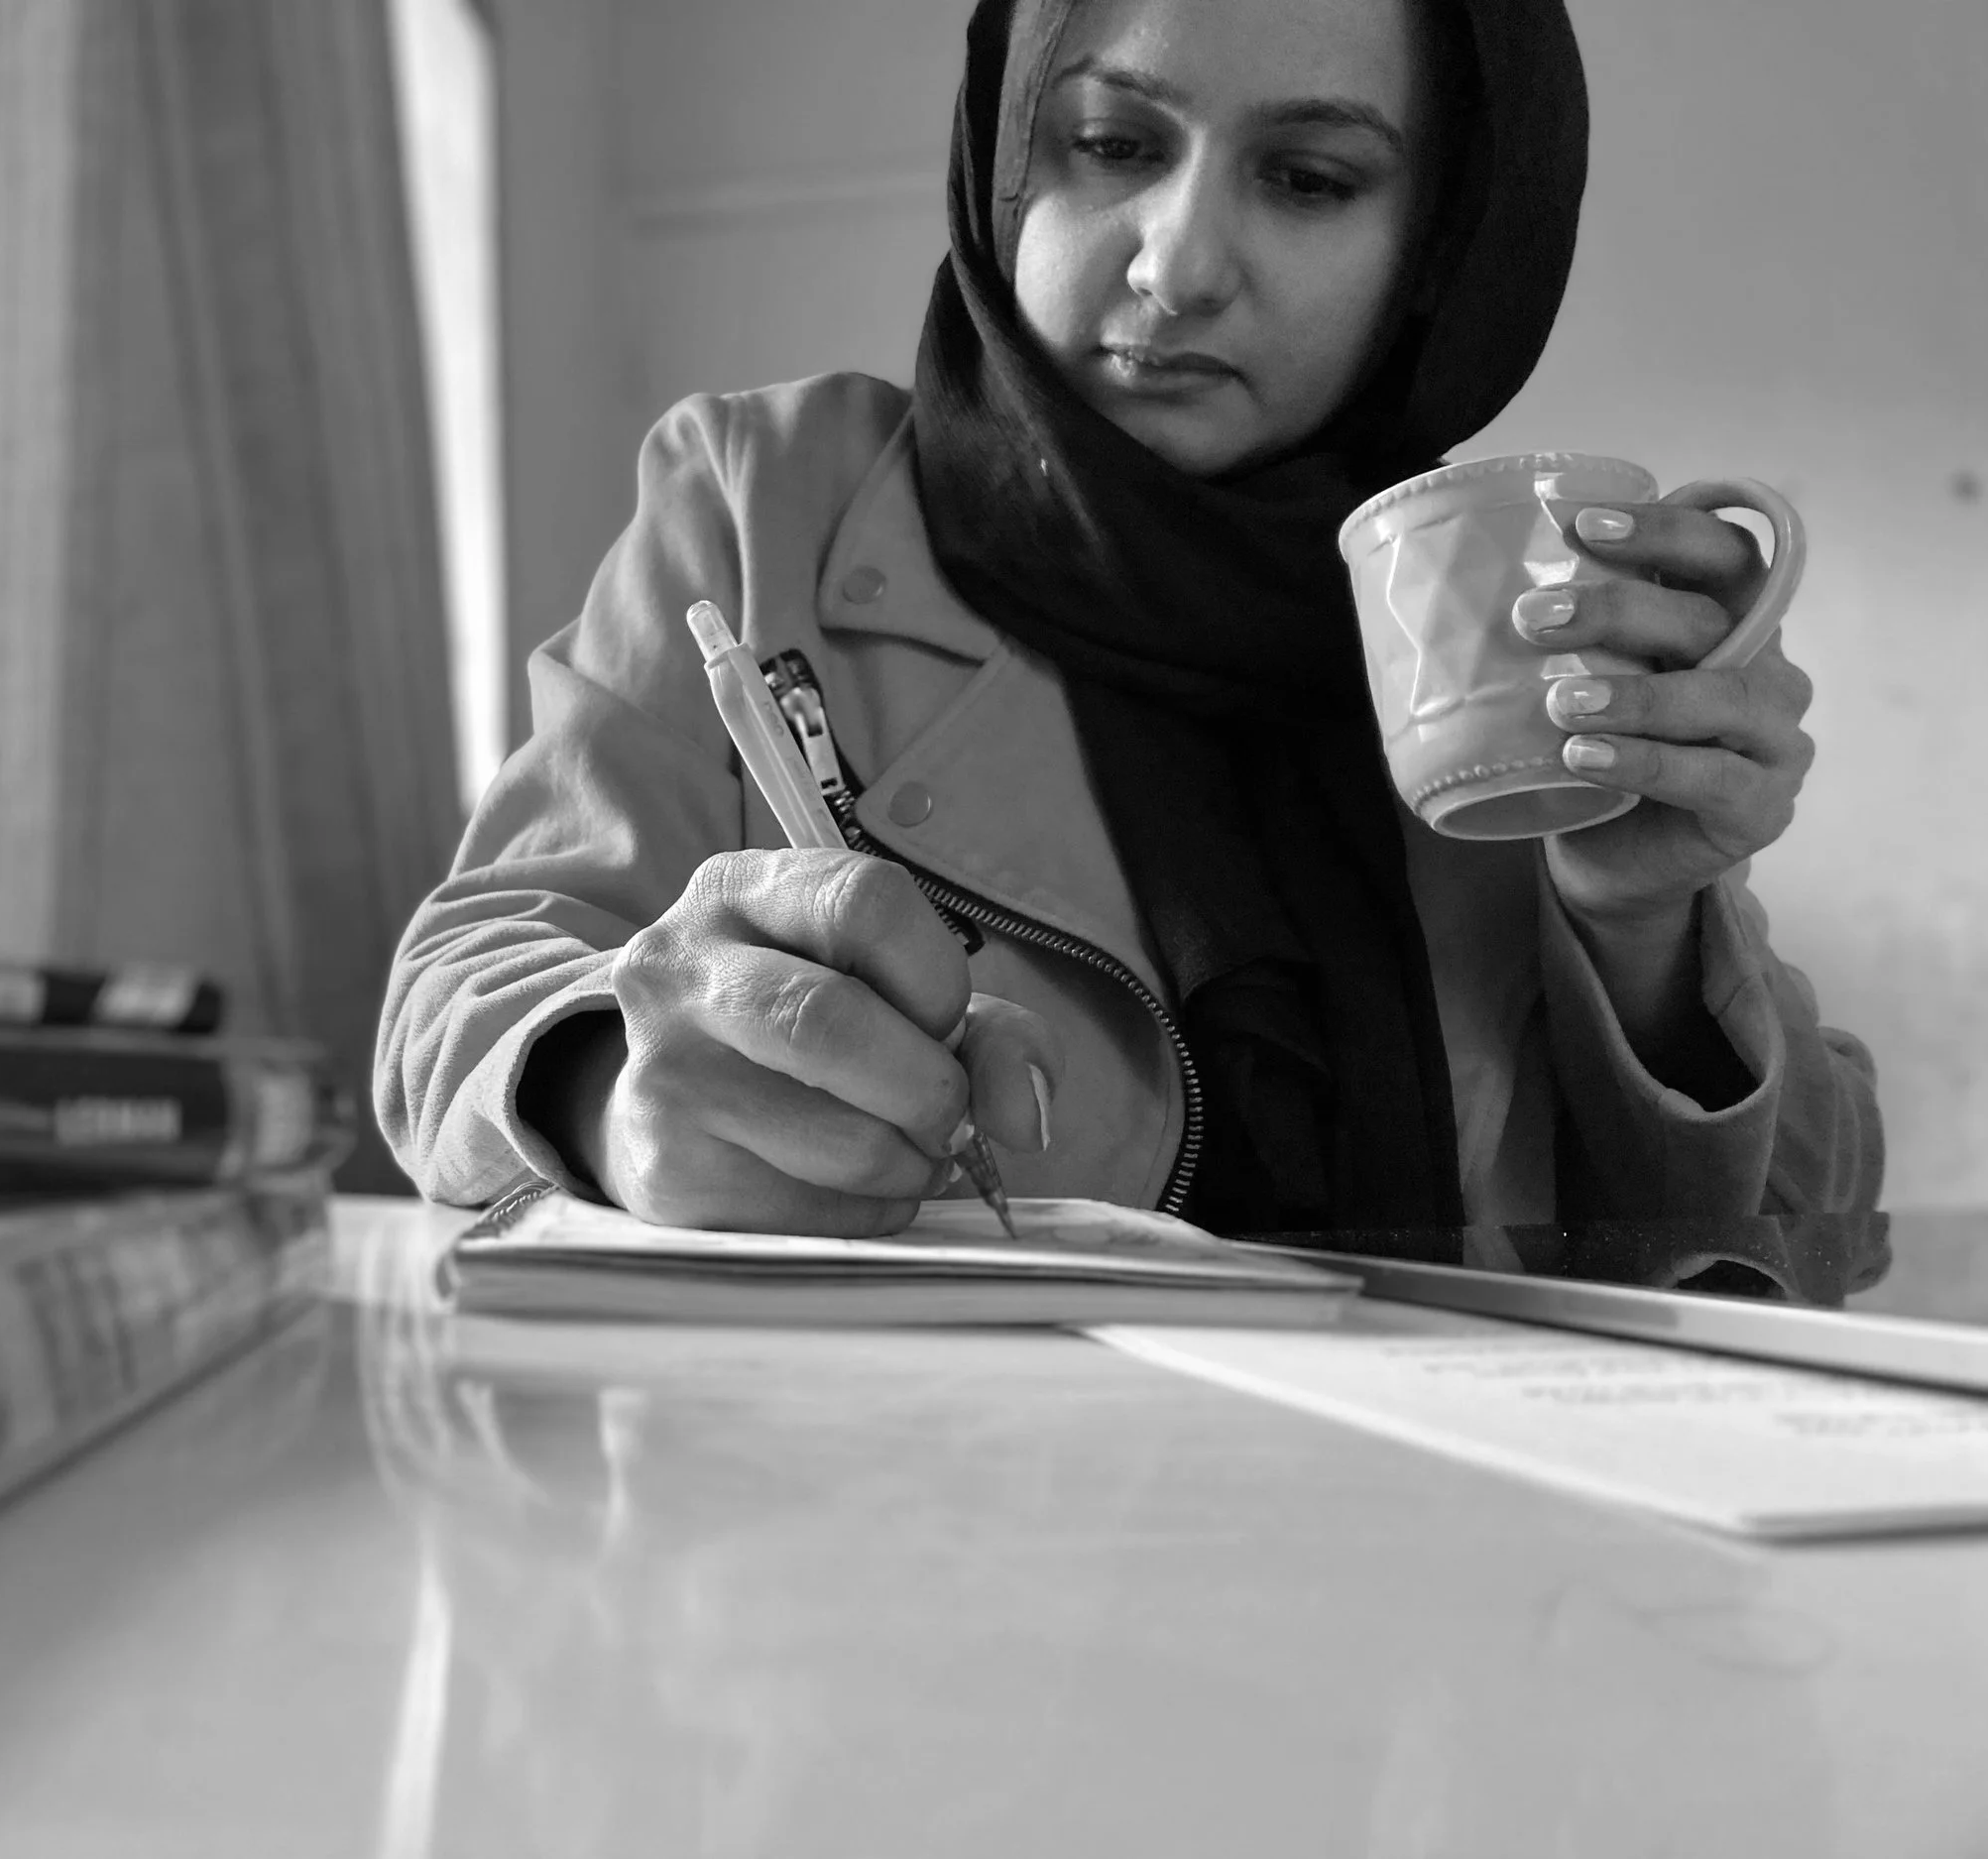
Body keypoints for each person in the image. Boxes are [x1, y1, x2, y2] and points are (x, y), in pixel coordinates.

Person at [375, 0, 1883, 1239]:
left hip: (1430, 1557)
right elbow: (462, 977)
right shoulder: (765, 506)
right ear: (1009, 155)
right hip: (907, 1529)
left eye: (1307, 178)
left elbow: (1817, 1233)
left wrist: (1647, 932)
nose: (1175, 264)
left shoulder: (1514, 618)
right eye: (1109, 144)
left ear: (1441, 247)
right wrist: (610, 1091)